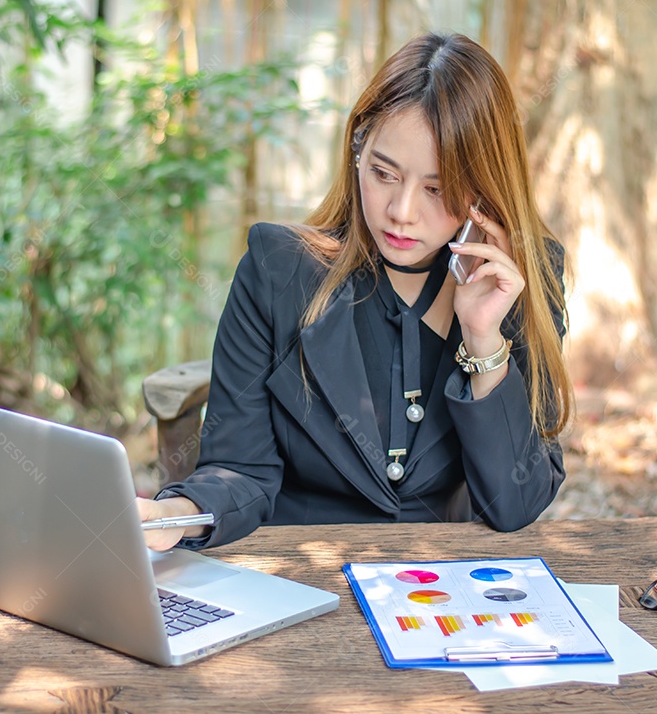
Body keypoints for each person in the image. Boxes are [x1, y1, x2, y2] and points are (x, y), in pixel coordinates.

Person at [137, 32, 572, 551]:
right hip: (301, 579)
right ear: (358, 150)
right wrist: (168, 516)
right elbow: (239, 472)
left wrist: (485, 342)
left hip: (442, 587)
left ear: (484, 187)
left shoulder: (520, 278)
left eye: (437, 189)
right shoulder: (279, 272)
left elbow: (515, 505)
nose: (402, 211)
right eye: (384, 173)